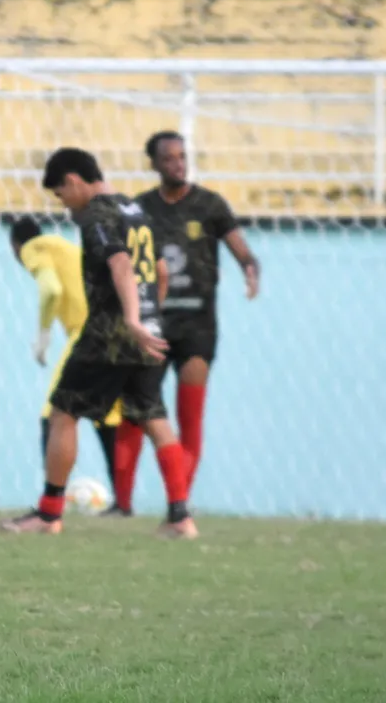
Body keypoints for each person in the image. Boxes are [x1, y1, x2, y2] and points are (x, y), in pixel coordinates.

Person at [1, 147, 198, 540]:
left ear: (73, 181)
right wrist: (149, 318)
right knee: (154, 417)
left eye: (61, 194)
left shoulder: (97, 214)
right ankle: (181, 517)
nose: (64, 203)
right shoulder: (137, 211)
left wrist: (130, 319)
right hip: (148, 334)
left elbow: (119, 262)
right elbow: (160, 272)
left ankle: (49, 513)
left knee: (63, 413)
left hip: (109, 333)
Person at [114, 131, 260, 512]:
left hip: (197, 326)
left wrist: (250, 267)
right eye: (169, 158)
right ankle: (121, 504)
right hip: (154, 325)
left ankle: (177, 506)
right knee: (136, 412)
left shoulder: (210, 205)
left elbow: (240, 248)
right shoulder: (140, 209)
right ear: (154, 164)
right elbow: (121, 261)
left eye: (182, 156)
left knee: (189, 417)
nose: (178, 164)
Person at [8, 217, 121, 500]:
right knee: (107, 418)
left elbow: (51, 289)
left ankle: (51, 499)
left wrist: (43, 336)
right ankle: (123, 500)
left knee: (54, 413)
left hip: (85, 335)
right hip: (110, 332)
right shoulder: (64, 247)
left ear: (15, 246)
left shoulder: (34, 248)